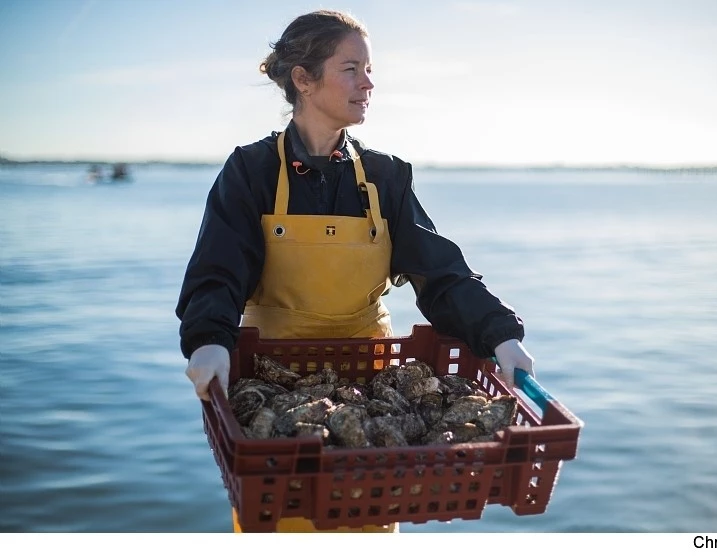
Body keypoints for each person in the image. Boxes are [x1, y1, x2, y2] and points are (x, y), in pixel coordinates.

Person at [175, 9, 534, 533]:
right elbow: (217, 270)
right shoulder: (251, 171)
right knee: (283, 522)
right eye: (352, 68)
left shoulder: (385, 177)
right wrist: (208, 339)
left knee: (366, 518)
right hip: (275, 387)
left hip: (369, 384)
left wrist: (502, 336)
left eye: (369, 69)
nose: (369, 83)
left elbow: (440, 273)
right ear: (303, 78)